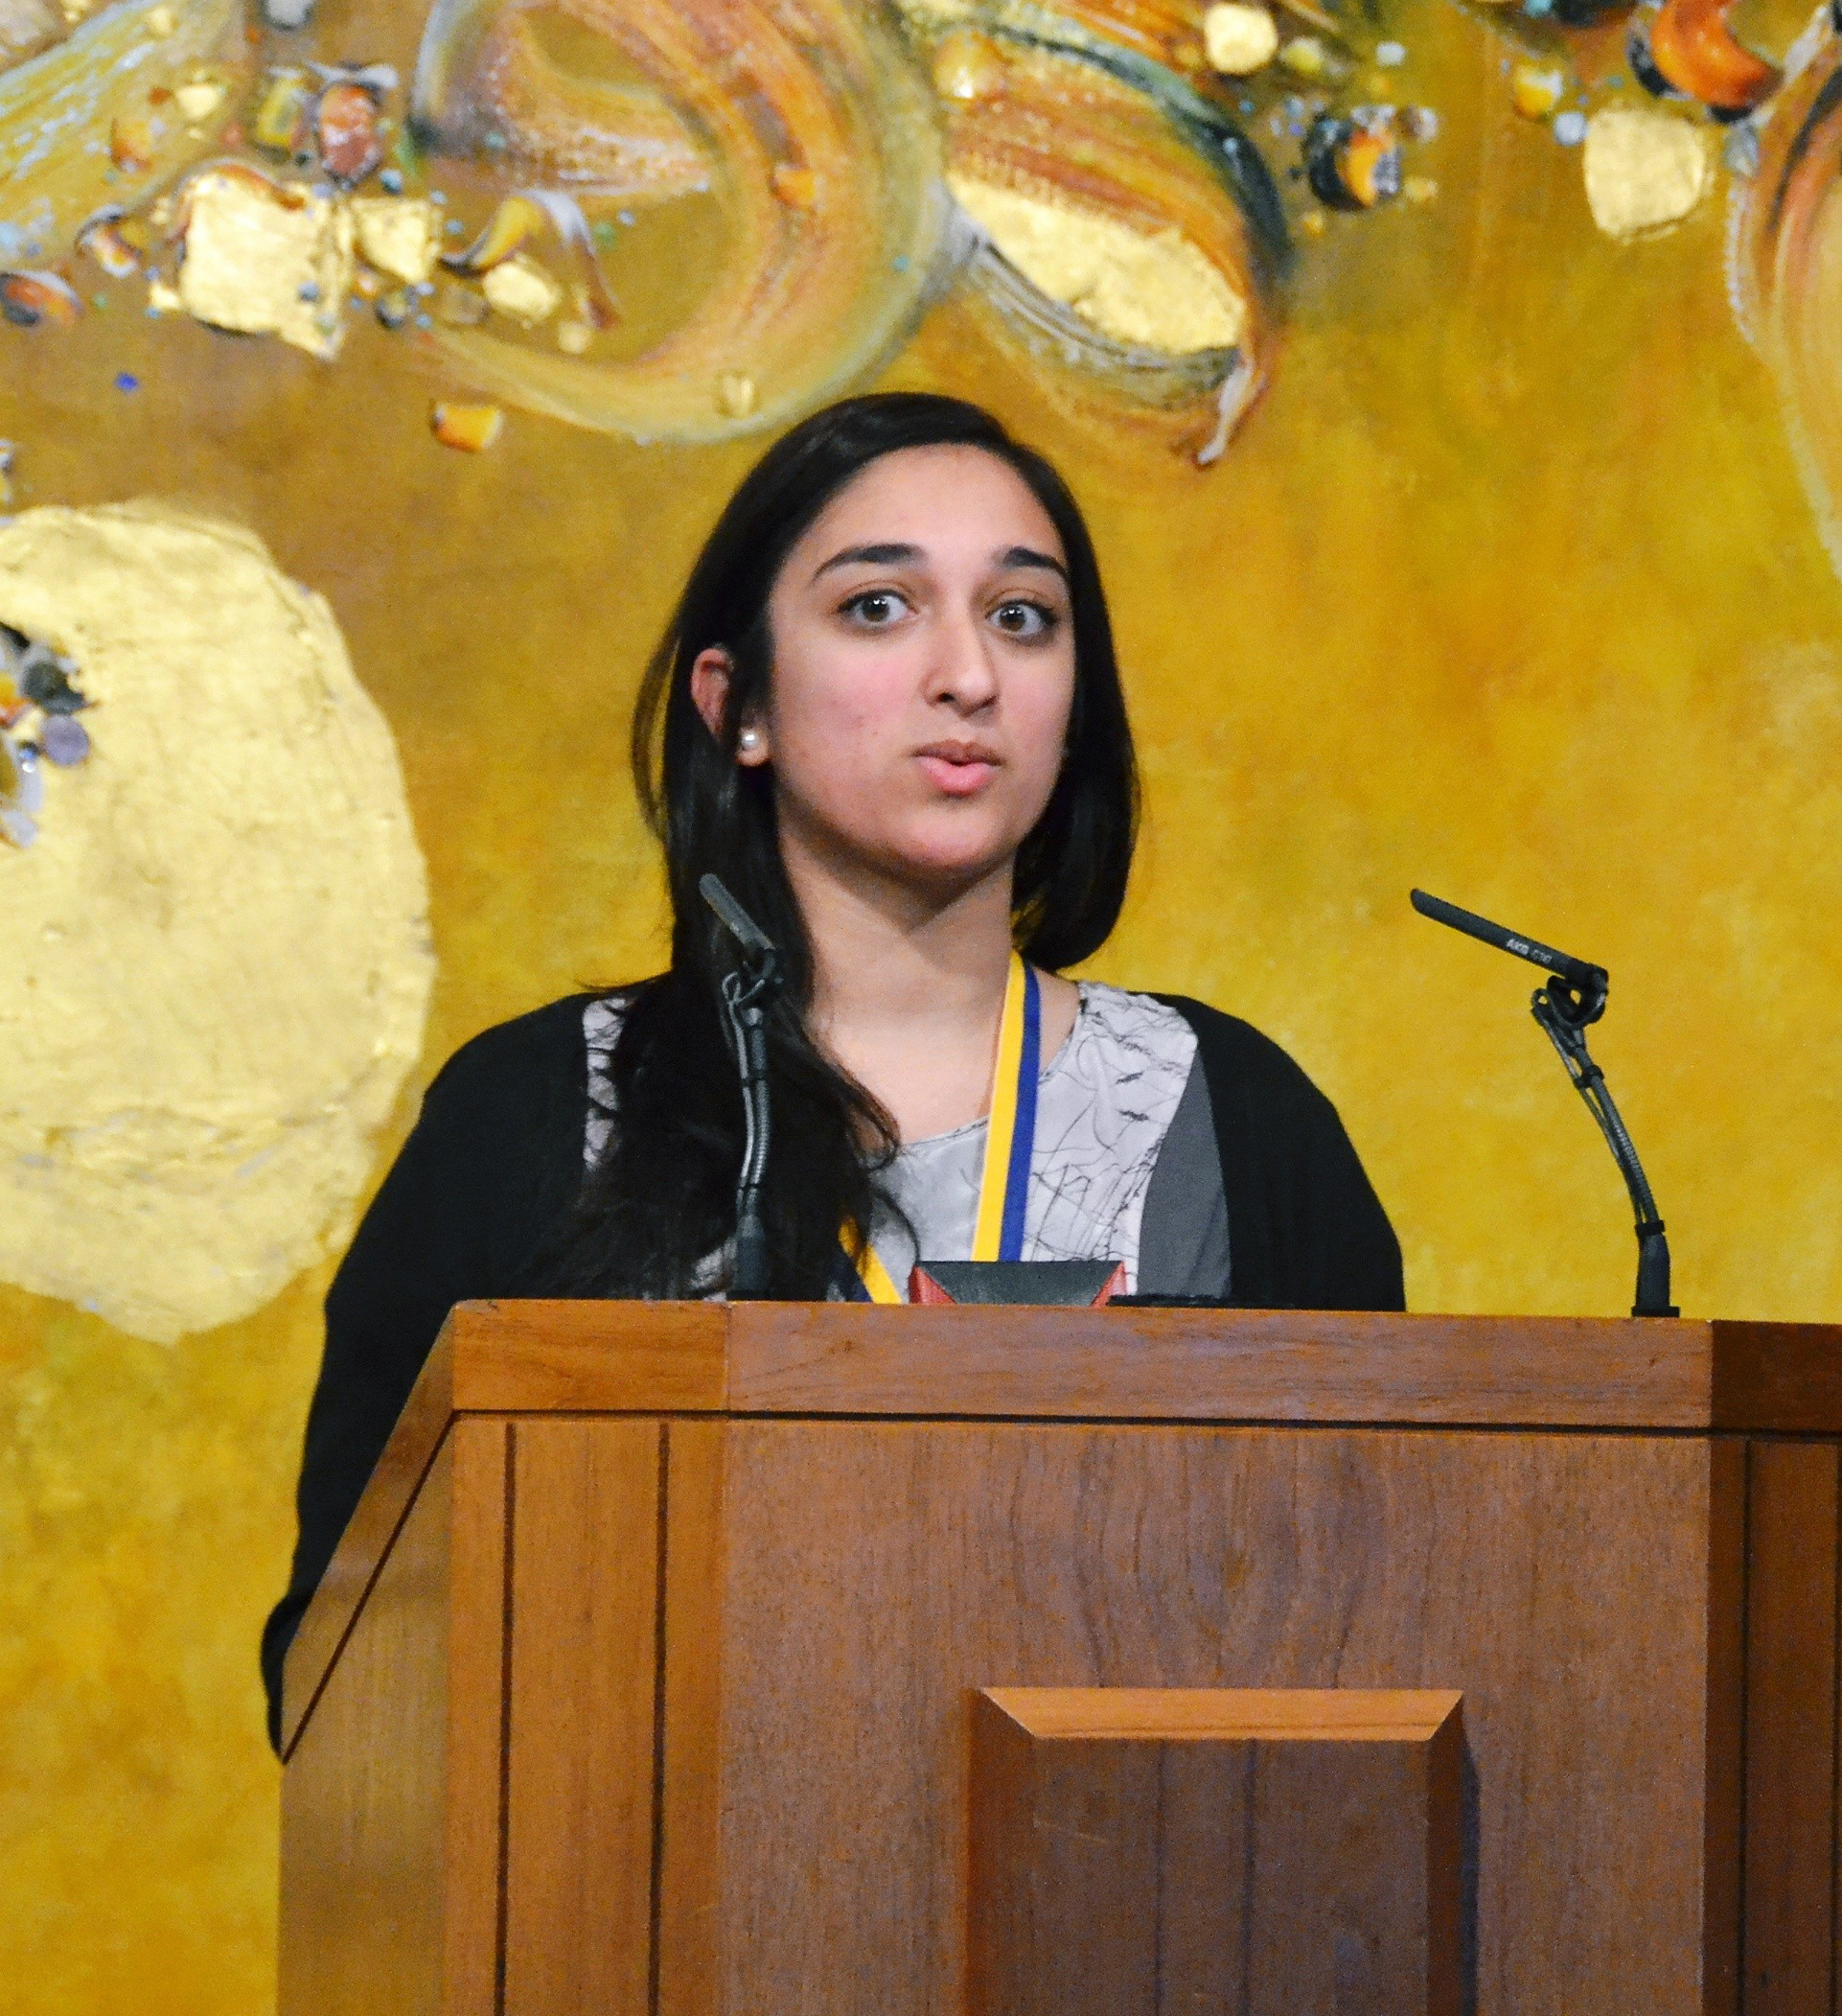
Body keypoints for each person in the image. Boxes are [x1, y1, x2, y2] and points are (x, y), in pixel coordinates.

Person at [262, 393, 1402, 1745]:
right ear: (734, 703)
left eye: (1022, 617)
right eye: (879, 608)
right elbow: (340, 1669)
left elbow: (1369, 1620)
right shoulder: (539, 1114)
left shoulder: (1230, 1118)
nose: (967, 674)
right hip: (652, 1918)